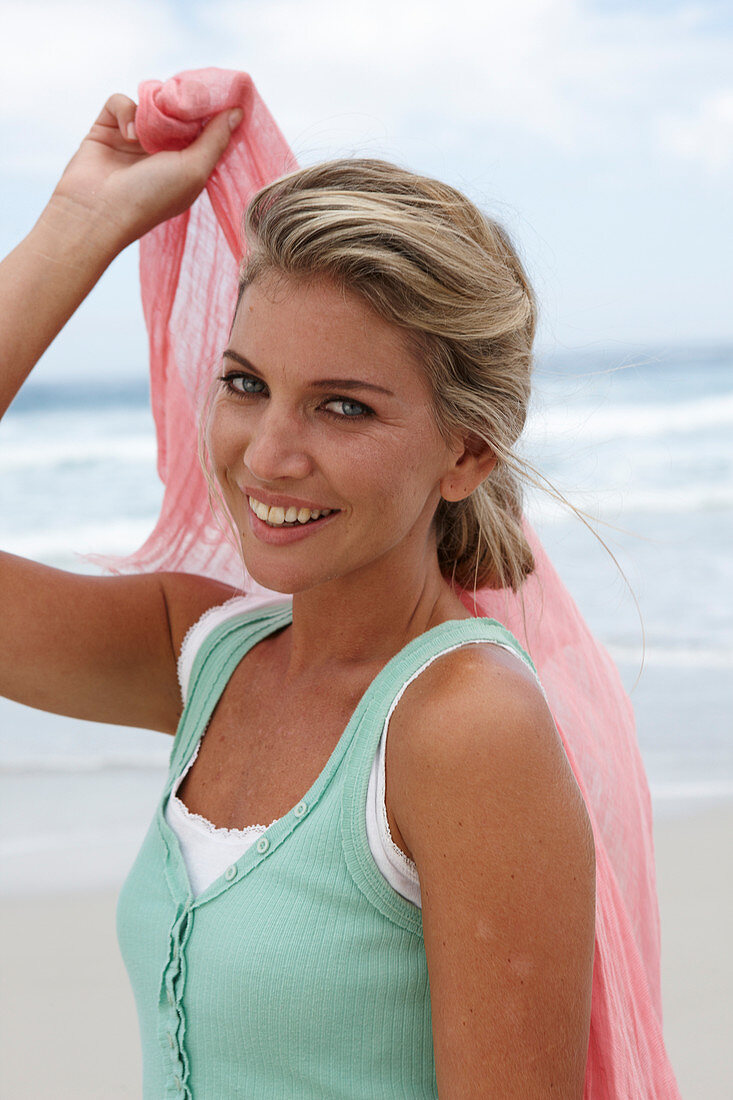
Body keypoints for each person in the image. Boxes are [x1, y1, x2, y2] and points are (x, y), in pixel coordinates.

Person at [0, 72, 679, 1098]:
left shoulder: (463, 727)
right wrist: (81, 222)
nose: (269, 454)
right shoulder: (207, 654)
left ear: (466, 454)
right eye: (245, 383)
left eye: (344, 408)